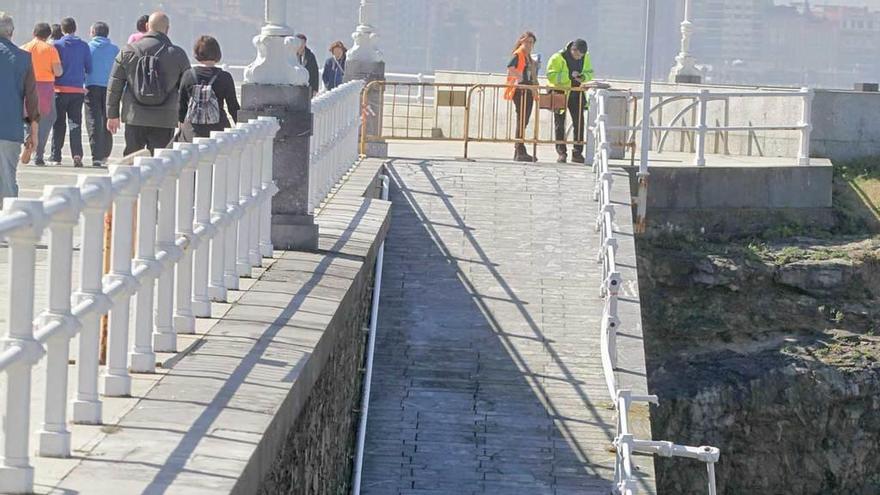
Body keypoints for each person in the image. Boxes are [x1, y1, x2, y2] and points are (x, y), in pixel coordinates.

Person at [107, 12, 191, 155]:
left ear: (147, 26)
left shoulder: (128, 51)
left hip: (134, 116)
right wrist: (184, 117)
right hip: (165, 118)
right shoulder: (178, 54)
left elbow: (115, 85)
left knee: (132, 159)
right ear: (168, 29)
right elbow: (187, 88)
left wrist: (112, 114)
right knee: (159, 161)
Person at [0, 12, 40, 201]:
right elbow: (31, 99)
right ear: (12, 32)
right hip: (9, 129)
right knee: (7, 183)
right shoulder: (23, 58)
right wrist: (33, 133)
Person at [178, 35, 239, 139]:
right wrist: (240, 127)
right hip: (218, 130)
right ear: (217, 53)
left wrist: (182, 126)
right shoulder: (225, 77)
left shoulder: (188, 75)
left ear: (197, 53)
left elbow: (181, 106)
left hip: (193, 130)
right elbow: (233, 107)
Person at [20, 22, 63, 166]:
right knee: (47, 118)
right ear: (48, 35)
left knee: (28, 117)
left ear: (34, 33)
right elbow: (58, 72)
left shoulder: (24, 48)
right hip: (45, 87)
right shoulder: (50, 49)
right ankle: (39, 154)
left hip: (28, 85)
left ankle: (28, 139)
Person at [51, 17, 92, 168]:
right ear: (75, 29)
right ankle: (77, 154)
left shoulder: (56, 45)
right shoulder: (84, 46)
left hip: (59, 90)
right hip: (77, 91)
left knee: (58, 124)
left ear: (62, 30)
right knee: (75, 124)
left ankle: (56, 157)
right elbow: (89, 68)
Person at [546, 38, 593, 163]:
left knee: (579, 122)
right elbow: (551, 75)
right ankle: (562, 153)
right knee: (559, 123)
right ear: (573, 50)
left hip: (577, 92)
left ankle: (577, 153)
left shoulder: (585, 57)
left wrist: (582, 77)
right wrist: (569, 77)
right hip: (560, 92)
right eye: (577, 55)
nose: (579, 58)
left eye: (581, 56)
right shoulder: (558, 57)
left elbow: (589, 72)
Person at [85, 21, 118, 167]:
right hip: (109, 88)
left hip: (91, 87)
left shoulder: (88, 48)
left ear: (93, 33)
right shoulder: (115, 49)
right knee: (107, 119)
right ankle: (105, 153)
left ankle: (96, 156)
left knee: (93, 120)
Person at [504, 31, 538, 163]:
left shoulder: (528, 56)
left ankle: (520, 149)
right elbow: (510, 67)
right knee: (522, 119)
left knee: (524, 120)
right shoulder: (518, 54)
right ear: (521, 41)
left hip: (528, 90)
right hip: (521, 91)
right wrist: (521, 79)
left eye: (531, 42)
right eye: (527, 42)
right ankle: (519, 149)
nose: (529, 44)